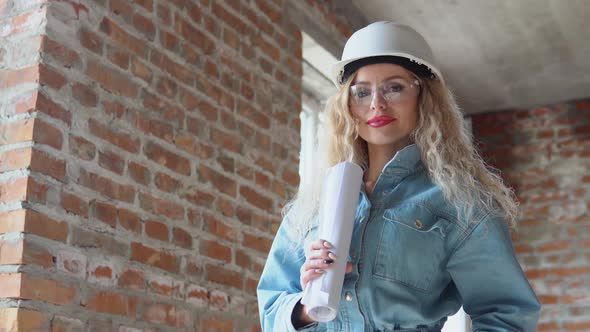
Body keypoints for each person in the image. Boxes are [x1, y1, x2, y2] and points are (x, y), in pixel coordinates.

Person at [257, 21, 540, 331]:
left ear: (425, 98)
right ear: (347, 106)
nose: (376, 102)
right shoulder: (315, 203)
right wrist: (307, 308)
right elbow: (271, 304)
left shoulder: (459, 204)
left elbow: (507, 314)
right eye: (361, 92)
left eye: (394, 87)